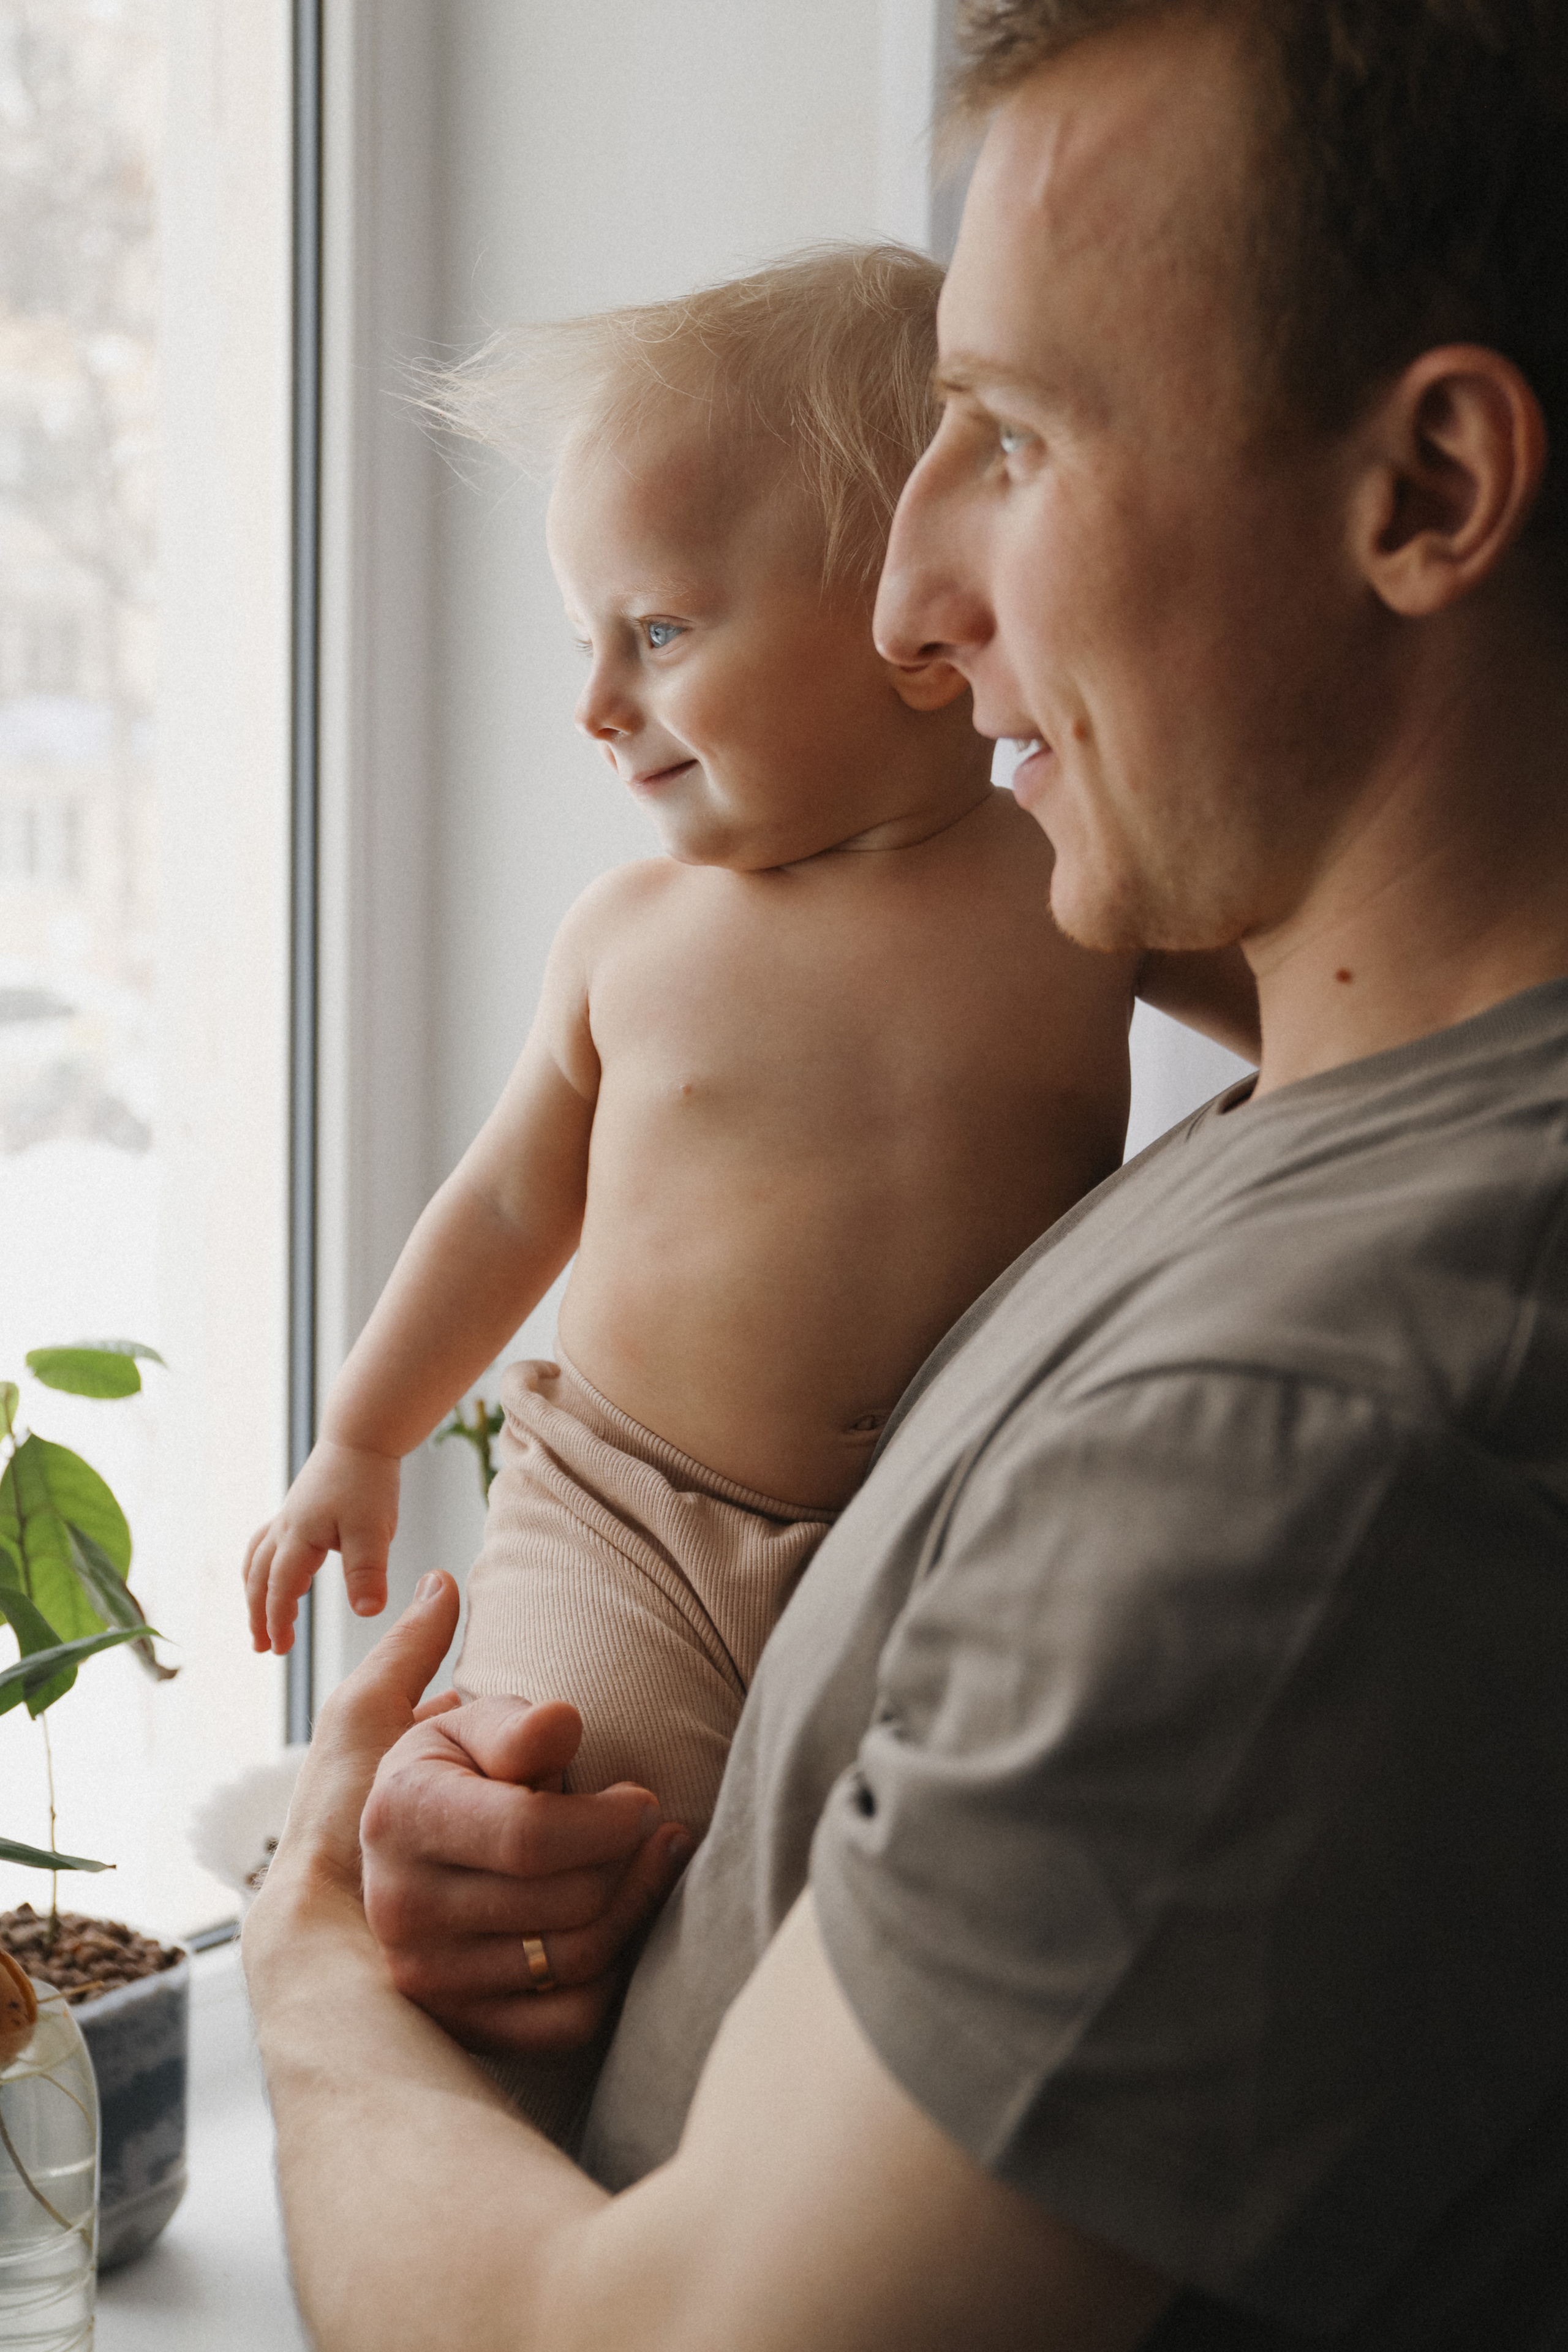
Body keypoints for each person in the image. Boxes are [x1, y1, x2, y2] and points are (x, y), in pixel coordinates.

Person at [244, 3, 1568, 2347]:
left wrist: (323, 1966)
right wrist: (526, 1907)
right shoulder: (1335, 1085)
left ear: (1432, 491)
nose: (911, 605)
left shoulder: (1330, 1429)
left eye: (1018, 440)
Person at [242, 246, 1251, 1838]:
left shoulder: (1074, 884)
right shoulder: (631, 938)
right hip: (631, 1524)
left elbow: (1333, 1018)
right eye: (589, 637)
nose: (594, 700)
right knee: (555, 1831)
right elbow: (508, 1204)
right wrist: (362, 1434)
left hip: (944, 1530)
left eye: (653, 632)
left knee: (888, 1894)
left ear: (918, 623)